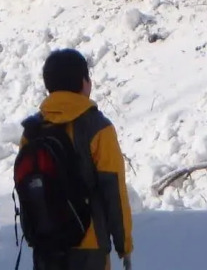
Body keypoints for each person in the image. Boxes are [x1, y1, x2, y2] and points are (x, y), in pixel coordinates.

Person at [20, 48, 132, 270]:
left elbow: (26, 190)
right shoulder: (98, 128)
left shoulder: (32, 131)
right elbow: (113, 191)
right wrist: (124, 244)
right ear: (84, 82)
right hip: (89, 242)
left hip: (46, 243)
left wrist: (34, 234)